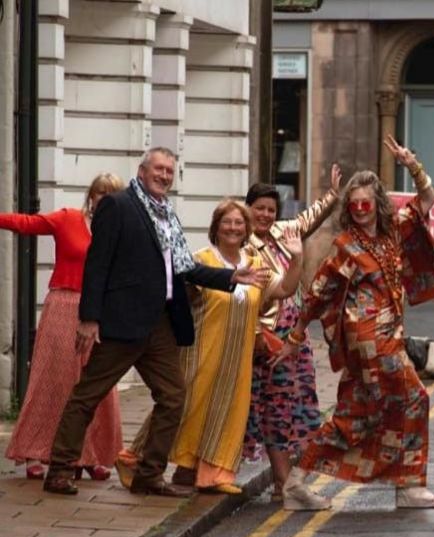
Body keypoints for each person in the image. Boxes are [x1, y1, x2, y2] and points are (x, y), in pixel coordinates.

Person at [42, 147, 267, 497]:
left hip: (160, 322)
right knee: (88, 395)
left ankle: (149, 474)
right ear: (143, 170)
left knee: (174, 397)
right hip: (122, 321)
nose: (164, 176)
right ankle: (59, 469)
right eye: (159, 169)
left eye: (169, 171)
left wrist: (231, 278)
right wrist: (89, 318)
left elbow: (185, 269)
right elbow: (97, 264)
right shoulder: (118, 205)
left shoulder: (166, 214)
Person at [274, 135, 434, 511]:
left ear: (378, 204)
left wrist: (412, 165)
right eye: (354, 204)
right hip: (368, 339)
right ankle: (408, 485)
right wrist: (295, 336)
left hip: (389, 335)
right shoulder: (347, 246)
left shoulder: (394, 232)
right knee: (414, 399)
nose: (359, 209)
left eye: (365, 203)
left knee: (354, 416)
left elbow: (427, 201)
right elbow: (319, 293)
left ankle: (295, 482)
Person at [165, 201, 305, 494]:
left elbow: (284, 289)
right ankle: (161, 464)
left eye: (239, 223)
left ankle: (213, 476)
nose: (232, 228)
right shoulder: (200, 259)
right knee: (191, 408)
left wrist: (297, 260)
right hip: (202, 350)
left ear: (246, 230)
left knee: (228, 412)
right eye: (226, 222)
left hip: (238, 357)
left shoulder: (256, 264)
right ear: (216, 227)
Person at [2, 173, 124, 481]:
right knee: (53, 380)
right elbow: (27, 224)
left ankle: (90, 455)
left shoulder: (120, 232)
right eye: (100, 194)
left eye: (111, 196)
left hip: (102, 313)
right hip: (64, 305)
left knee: (97, 384)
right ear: (90, 195)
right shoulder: (68, 218)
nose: (103, 200)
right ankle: (35, 451)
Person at [244, 170, 340, 502]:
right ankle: (284, 484)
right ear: (248, 209)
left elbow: (310, 217)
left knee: (297, 408)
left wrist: (332, 194)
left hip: (296, 337)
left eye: (271, 209)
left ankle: (282, 485)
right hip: (269, 339)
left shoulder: (285, 231)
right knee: (275, 409)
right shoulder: (245, 245)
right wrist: (258, 335)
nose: (265, 215)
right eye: (259, 208)